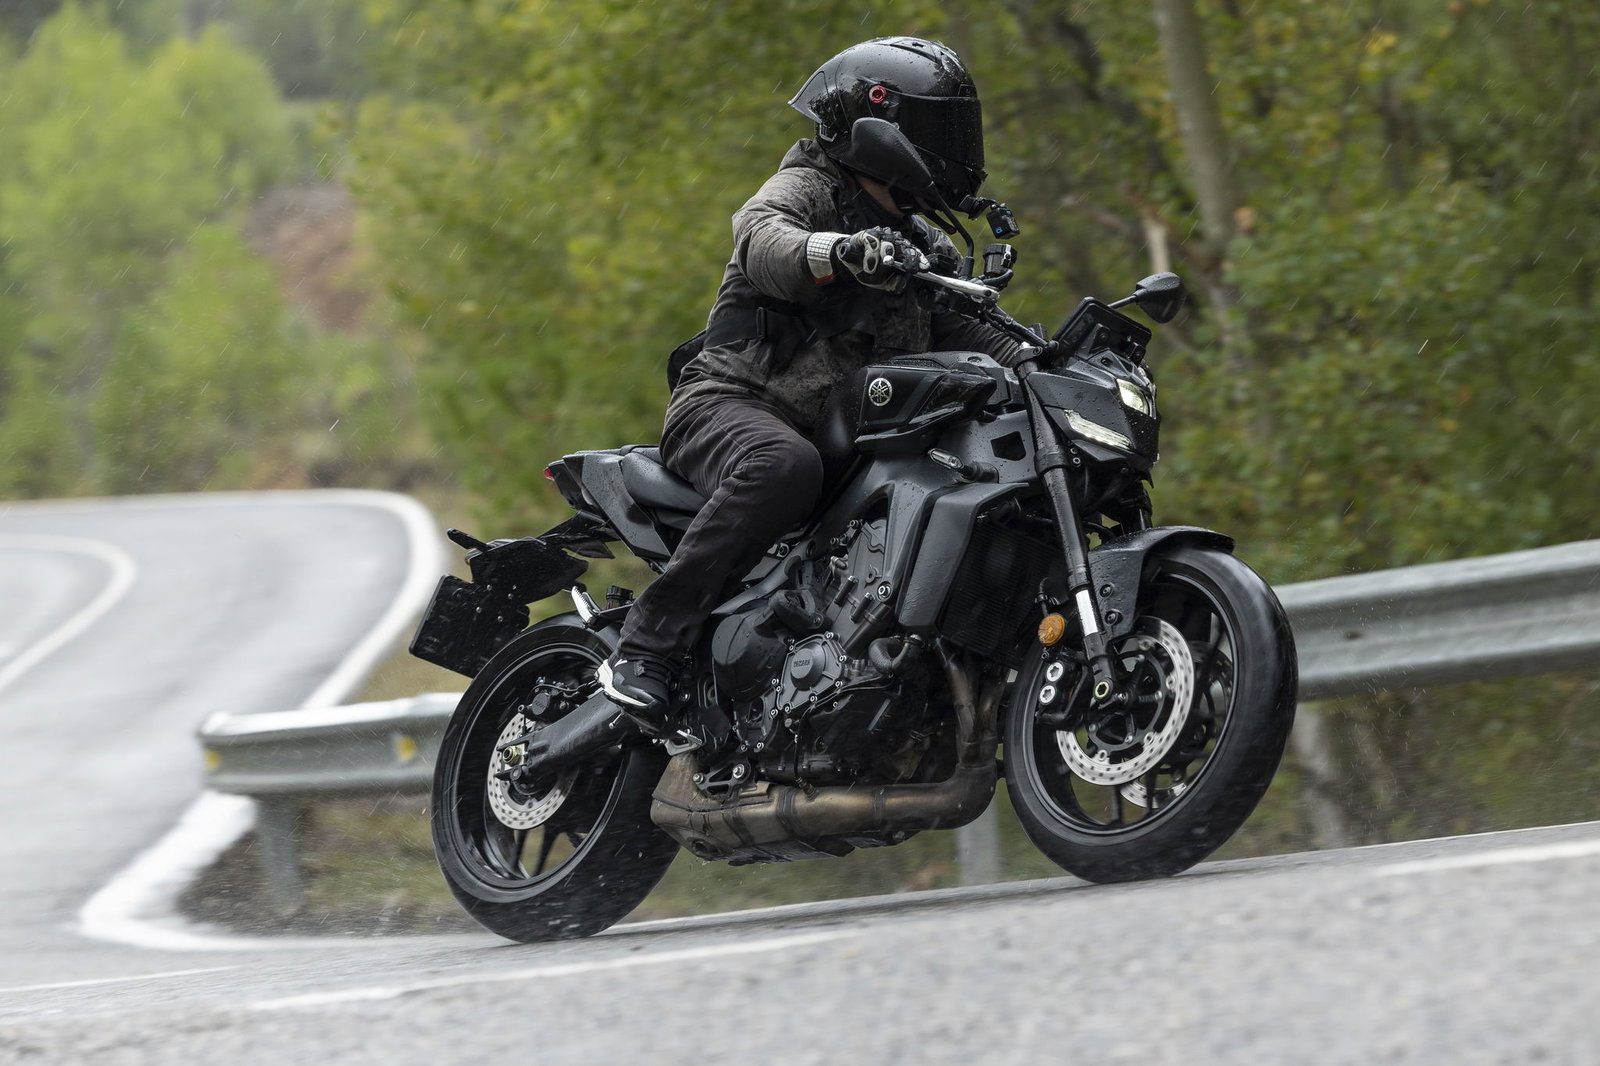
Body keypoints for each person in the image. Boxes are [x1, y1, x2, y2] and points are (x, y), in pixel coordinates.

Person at [527, 36, 1031, 771]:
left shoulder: (918, 247)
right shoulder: (808, 188)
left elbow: (980, 335)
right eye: (941, 127)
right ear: (880, 127)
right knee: (781, 464)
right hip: (727, 405)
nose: (955, 145)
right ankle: (646, 648)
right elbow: (761, 237)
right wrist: (836, 252)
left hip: (840, 444)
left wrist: (1051, 363)